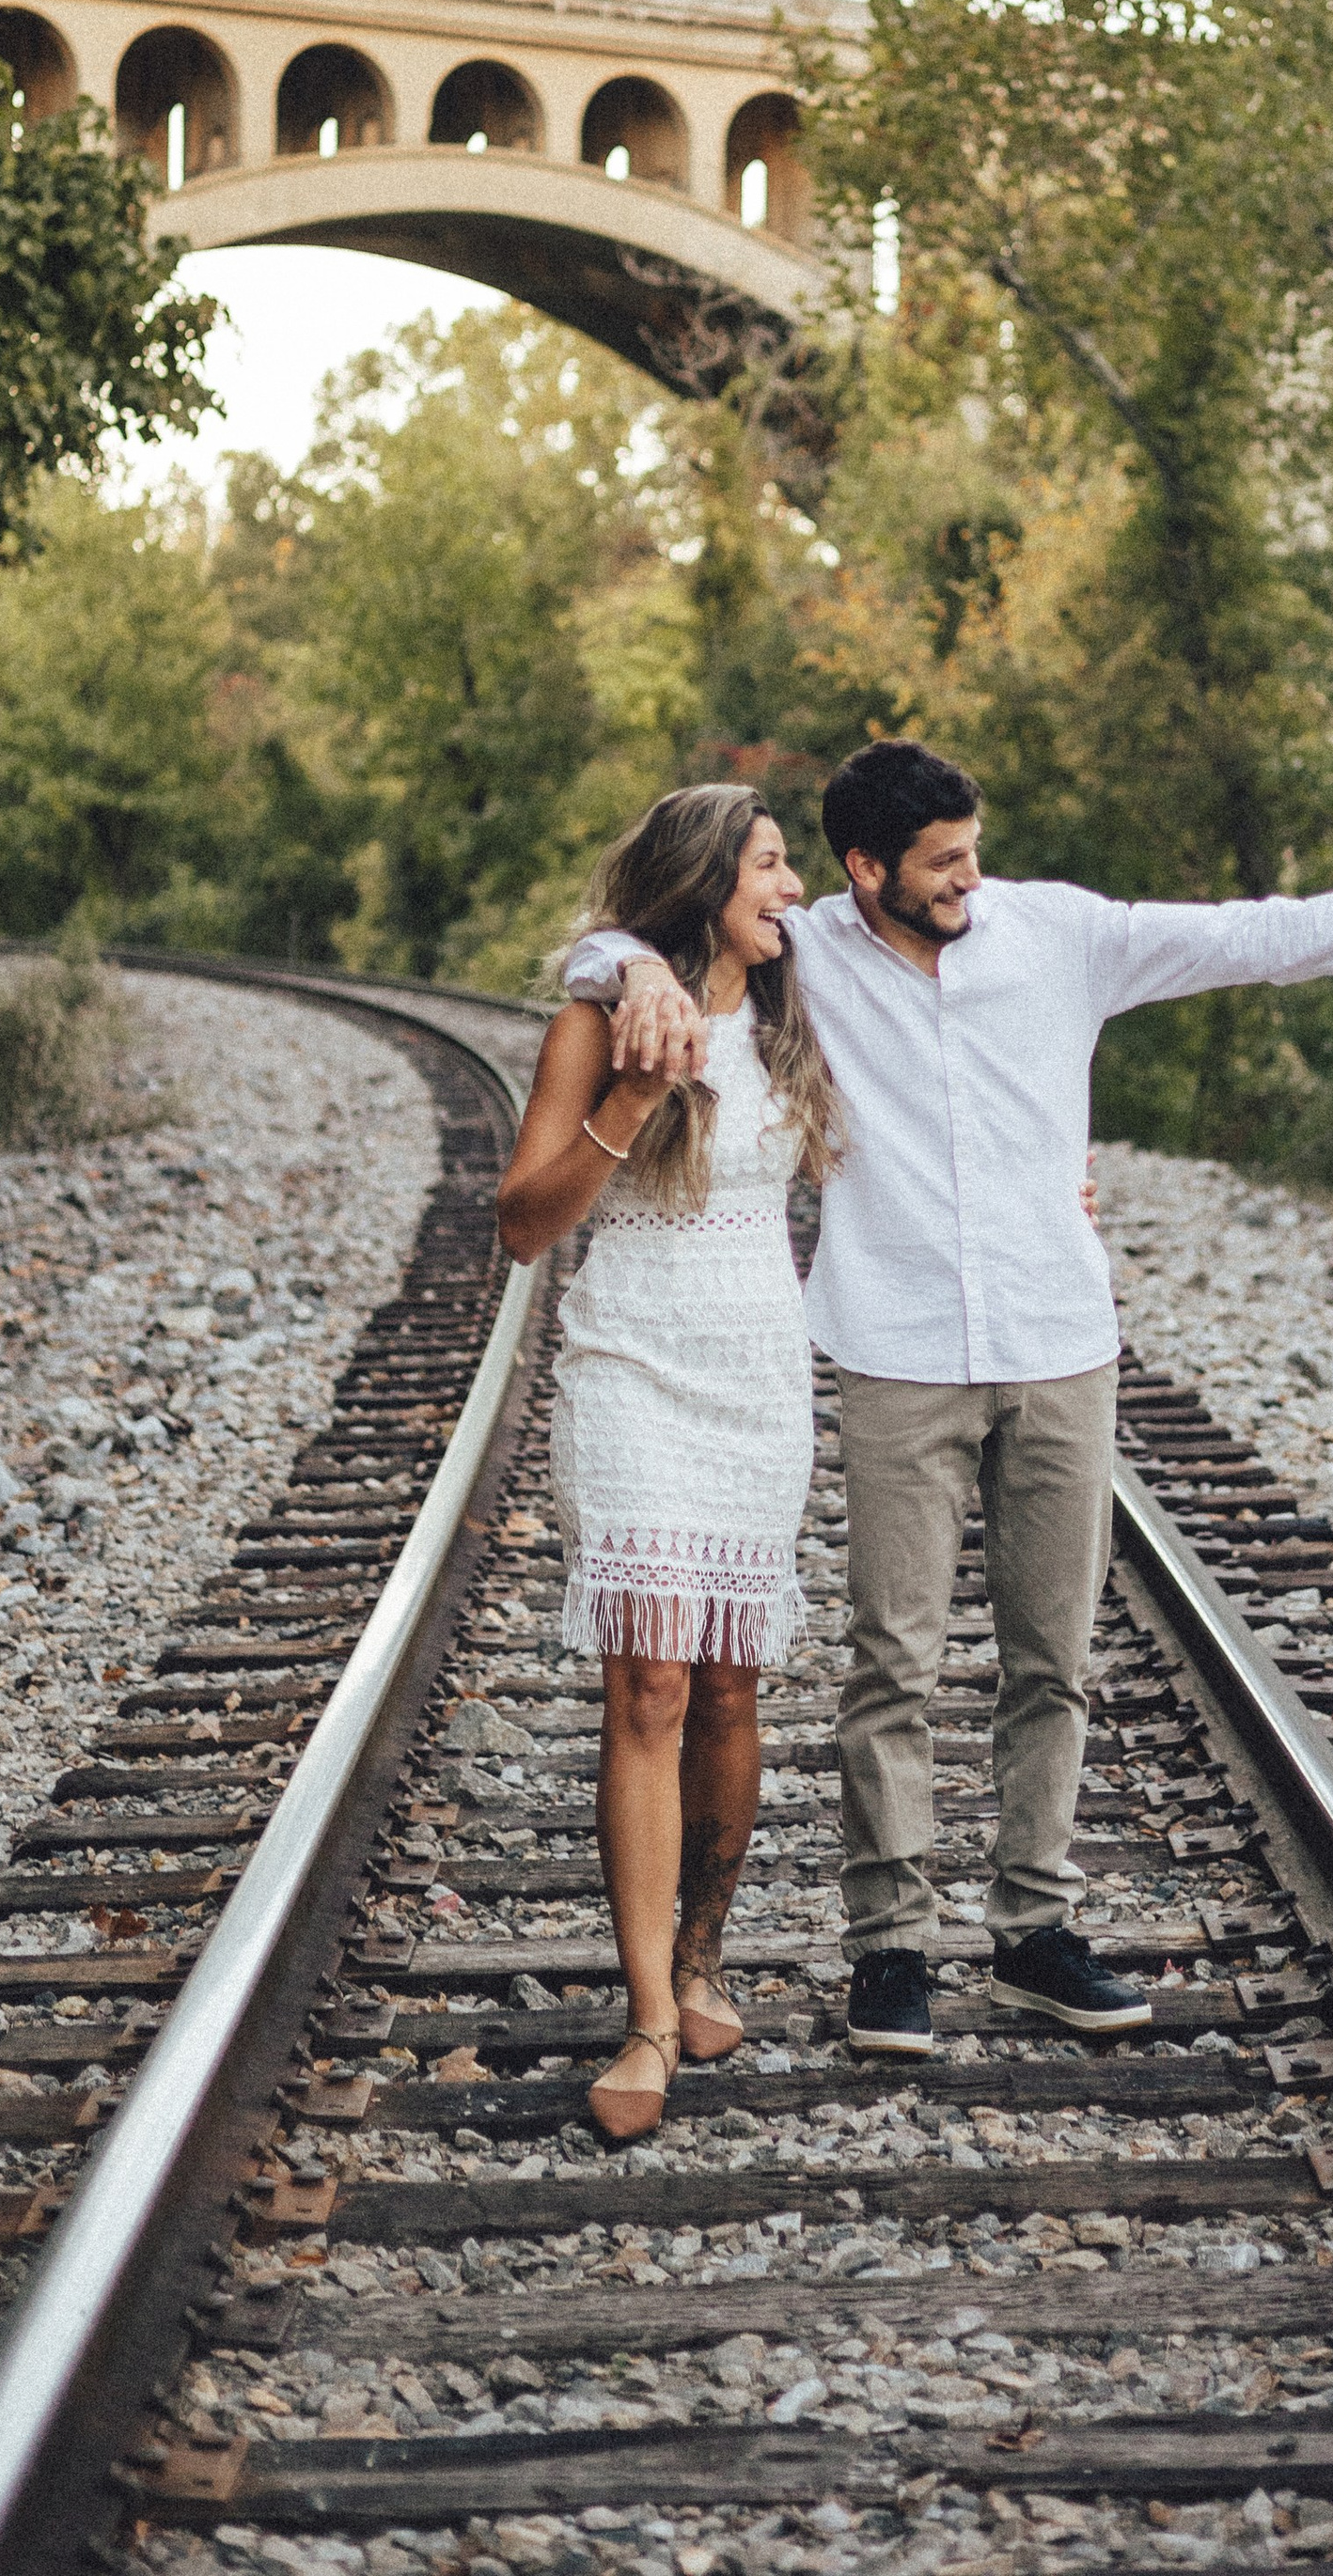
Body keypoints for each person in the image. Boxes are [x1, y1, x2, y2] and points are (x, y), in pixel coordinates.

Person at [569, 739, 1333, 2065]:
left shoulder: (1062, 936)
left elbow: (1251, 936)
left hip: (1059, 1342)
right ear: (866, 868)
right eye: (942, 861)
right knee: (893, 1662)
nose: (970, 878)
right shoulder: (808, 951)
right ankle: (891, 1946)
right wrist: (633, 969)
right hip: (896, 1351)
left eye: (973, 850)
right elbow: (636, 936)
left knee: (1053, 1659)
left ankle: (1035, 1926)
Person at [494, 782, 840, 2144]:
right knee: (648, 1680)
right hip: (631, 1361)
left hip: (758, 1376)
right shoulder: (599, 1027)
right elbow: (524, 1223)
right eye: (771, 864)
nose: (794, 887)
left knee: (730, 1687)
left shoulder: (804, 1009)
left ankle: (704, 1951)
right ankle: (648, 2015)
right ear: (707, 885)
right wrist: (636, 1093)